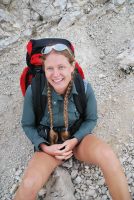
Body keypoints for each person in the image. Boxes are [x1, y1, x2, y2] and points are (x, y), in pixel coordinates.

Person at [14, 39, 131, 200]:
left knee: (107, 155)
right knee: (28, 184)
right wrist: (44, 147)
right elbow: (27, 124)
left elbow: (91, 119)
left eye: (61, 67)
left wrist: (75, 140)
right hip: (49, 145)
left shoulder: (84, 87)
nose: (56, 74)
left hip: (79, 140)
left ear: (72, 67)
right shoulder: (33, 91)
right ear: (44, 69)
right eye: (50, 68)